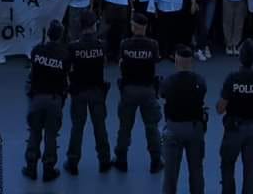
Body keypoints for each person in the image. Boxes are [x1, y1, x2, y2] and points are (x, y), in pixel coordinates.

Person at [217, 39, 253, 194]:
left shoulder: (232, 79)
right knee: (250, 168)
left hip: (234, 129)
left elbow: (220, 108)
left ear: (240, 57)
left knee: (227, 164)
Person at [113, 13, 162, 173]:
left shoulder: (124, 44)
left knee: (125, 127)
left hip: (128, 90)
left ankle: (121, 159)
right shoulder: (153, 45)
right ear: (145, 27)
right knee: (152, 126)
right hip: (148, 89)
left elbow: (121, 64)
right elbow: (155, 62)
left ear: (133, 26)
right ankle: (155, 160)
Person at [65, 10, 111, 175]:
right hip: (97, 91)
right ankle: (104, 160)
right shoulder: (101, 45)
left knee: (77, 128)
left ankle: (72, 162)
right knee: (100, 127)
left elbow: (68, 68)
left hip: (78, 92)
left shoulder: (73, 47)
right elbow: (104, 63)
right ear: (93, 25)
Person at [23, 20, 69, 182]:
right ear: (60, 36)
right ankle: (48, 169)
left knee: (34, 133)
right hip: (54, 99)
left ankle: (31, 167)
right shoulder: (64, 55)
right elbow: (65, 77)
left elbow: (31, 73)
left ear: (48, 34)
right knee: (51, 135)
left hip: (37, 98)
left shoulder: (37, 51)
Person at [160, 45, 207, 194]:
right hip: (194, 129)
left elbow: (162, 95)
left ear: (176, 61)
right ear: (191, 62)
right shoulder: (200, 81)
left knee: (170, 175)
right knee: (196, 171)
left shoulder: (168, 82)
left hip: (173, 129)